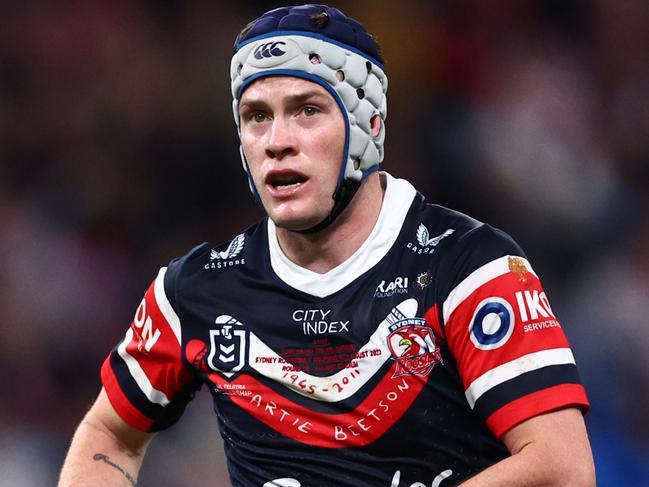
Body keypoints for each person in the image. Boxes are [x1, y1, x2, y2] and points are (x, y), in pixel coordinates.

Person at [59, 4, 595, 486]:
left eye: (307, 110)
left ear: (370, 125)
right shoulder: (194, 291)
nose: (277, 140)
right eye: (256, 116)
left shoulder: (469, 267)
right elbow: (109, 434)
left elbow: (562, 467)